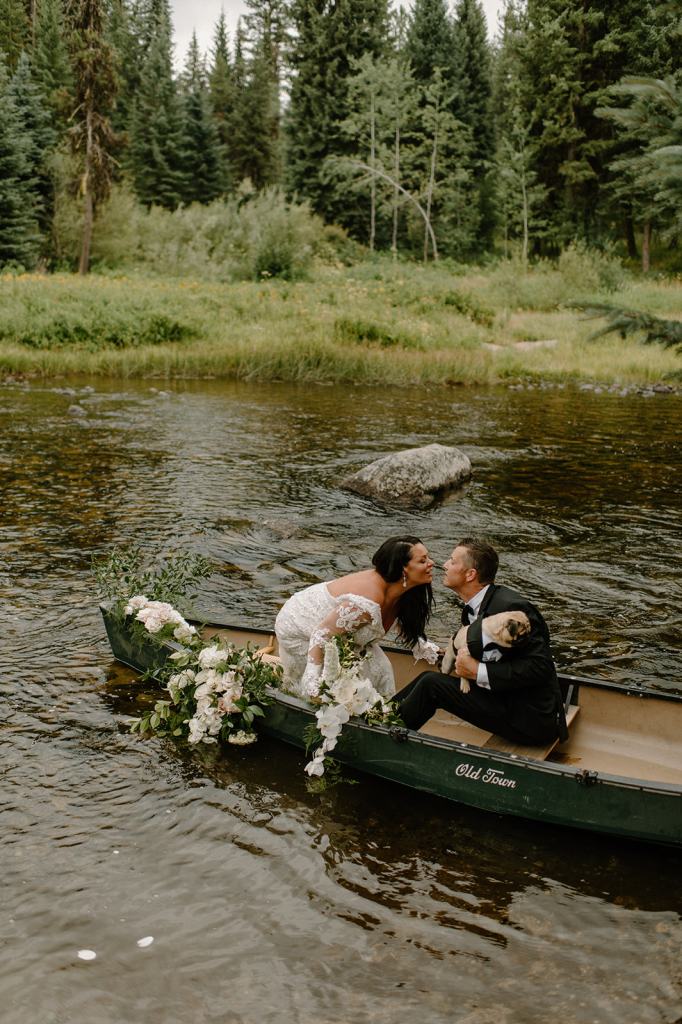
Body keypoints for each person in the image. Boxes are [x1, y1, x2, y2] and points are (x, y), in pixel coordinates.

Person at [395, 538, 568, 745]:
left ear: (470, 574)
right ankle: (381, 715)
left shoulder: (512, 609)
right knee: (427, 678)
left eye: (452, 561)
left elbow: (540, 667)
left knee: (431, 685)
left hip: (530, 719)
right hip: (502, 697)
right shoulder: (475, 607)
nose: (445, 565)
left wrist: (478, 672)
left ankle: (381, 735)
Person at [275, 536, 439, 699]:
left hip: (339, 634)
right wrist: (312, 684)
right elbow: (320, 635)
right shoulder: (368, 601)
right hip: (300, 629)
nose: (431, 563)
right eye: (423, 561)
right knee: (341, 688)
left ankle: (384, 716)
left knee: (383, 669)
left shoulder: (402, 591)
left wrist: (423, 646)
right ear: (404, 569)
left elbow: (399, 621)